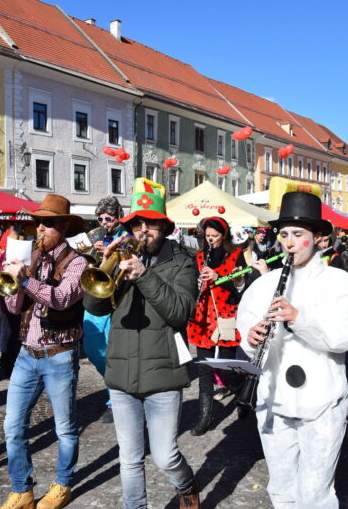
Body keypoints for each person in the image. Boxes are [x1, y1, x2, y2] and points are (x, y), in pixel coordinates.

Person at [236, 191, 348, 508]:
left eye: (298, 234)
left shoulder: (338, 282)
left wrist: (299, 318)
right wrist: (251, 340)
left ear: (319, 238)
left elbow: (346, 337)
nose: (289, 242)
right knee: (281, 488)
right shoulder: (263, 285)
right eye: (284, 234)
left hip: (320, 404)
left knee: (315, 493)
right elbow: (245, 329)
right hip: (273, 400)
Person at [83, 178, 201, 509]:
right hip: (121, 373)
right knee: (130, 459)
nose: (143, 230)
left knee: (165, 455)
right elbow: (94, 306)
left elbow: (179, 312)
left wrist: (144, 275)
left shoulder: (182, 261)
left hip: (163, 373)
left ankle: (186, 482)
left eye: (150, 223)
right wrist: (100, 266)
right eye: (137, 223)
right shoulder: (118, 258)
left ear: (164, 227)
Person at [0, 195, 86, 509]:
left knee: (65, 427)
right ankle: (22, 490)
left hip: (59, 353)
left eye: (47, 223)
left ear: (63, 226)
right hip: (27, 352)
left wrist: (27, 280)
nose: (40, 229)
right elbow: (13, 307)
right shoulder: (32, 255)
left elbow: (61, 299)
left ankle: (63, 484)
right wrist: (12, 284)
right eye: (38, 223)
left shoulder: (77, 262)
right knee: (12, 425)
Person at [186, 217, 250, 436]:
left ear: (224, 235)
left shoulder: (235, 255)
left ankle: (244, 395)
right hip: (203, 317)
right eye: (208, 236)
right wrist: (196, 283)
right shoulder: (200, 257)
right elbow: (191, 284)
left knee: (225, 366)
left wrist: (219, 276)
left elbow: (243, 284)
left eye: (215, 236)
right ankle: (204, 418)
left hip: (225, 315)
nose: (211, 240)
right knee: (204, 368)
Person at [83, 195, 125, 424]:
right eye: (100, 218)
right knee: (93, 349)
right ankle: (113, 387)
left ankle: (115, 397)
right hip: (96, 298)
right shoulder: (96, 236)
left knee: (112, 351)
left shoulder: (126, 236)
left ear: (117, 217)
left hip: (116, 300)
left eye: (108, 218)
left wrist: (111, 251)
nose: (104, 222)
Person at [0, 228, 22, 378]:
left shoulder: (2, 253)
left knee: (11, 329)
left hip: (9, 294)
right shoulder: (2, 253)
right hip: (4, 294)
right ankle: (6, 362)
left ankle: (8, 362)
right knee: (8, 329)